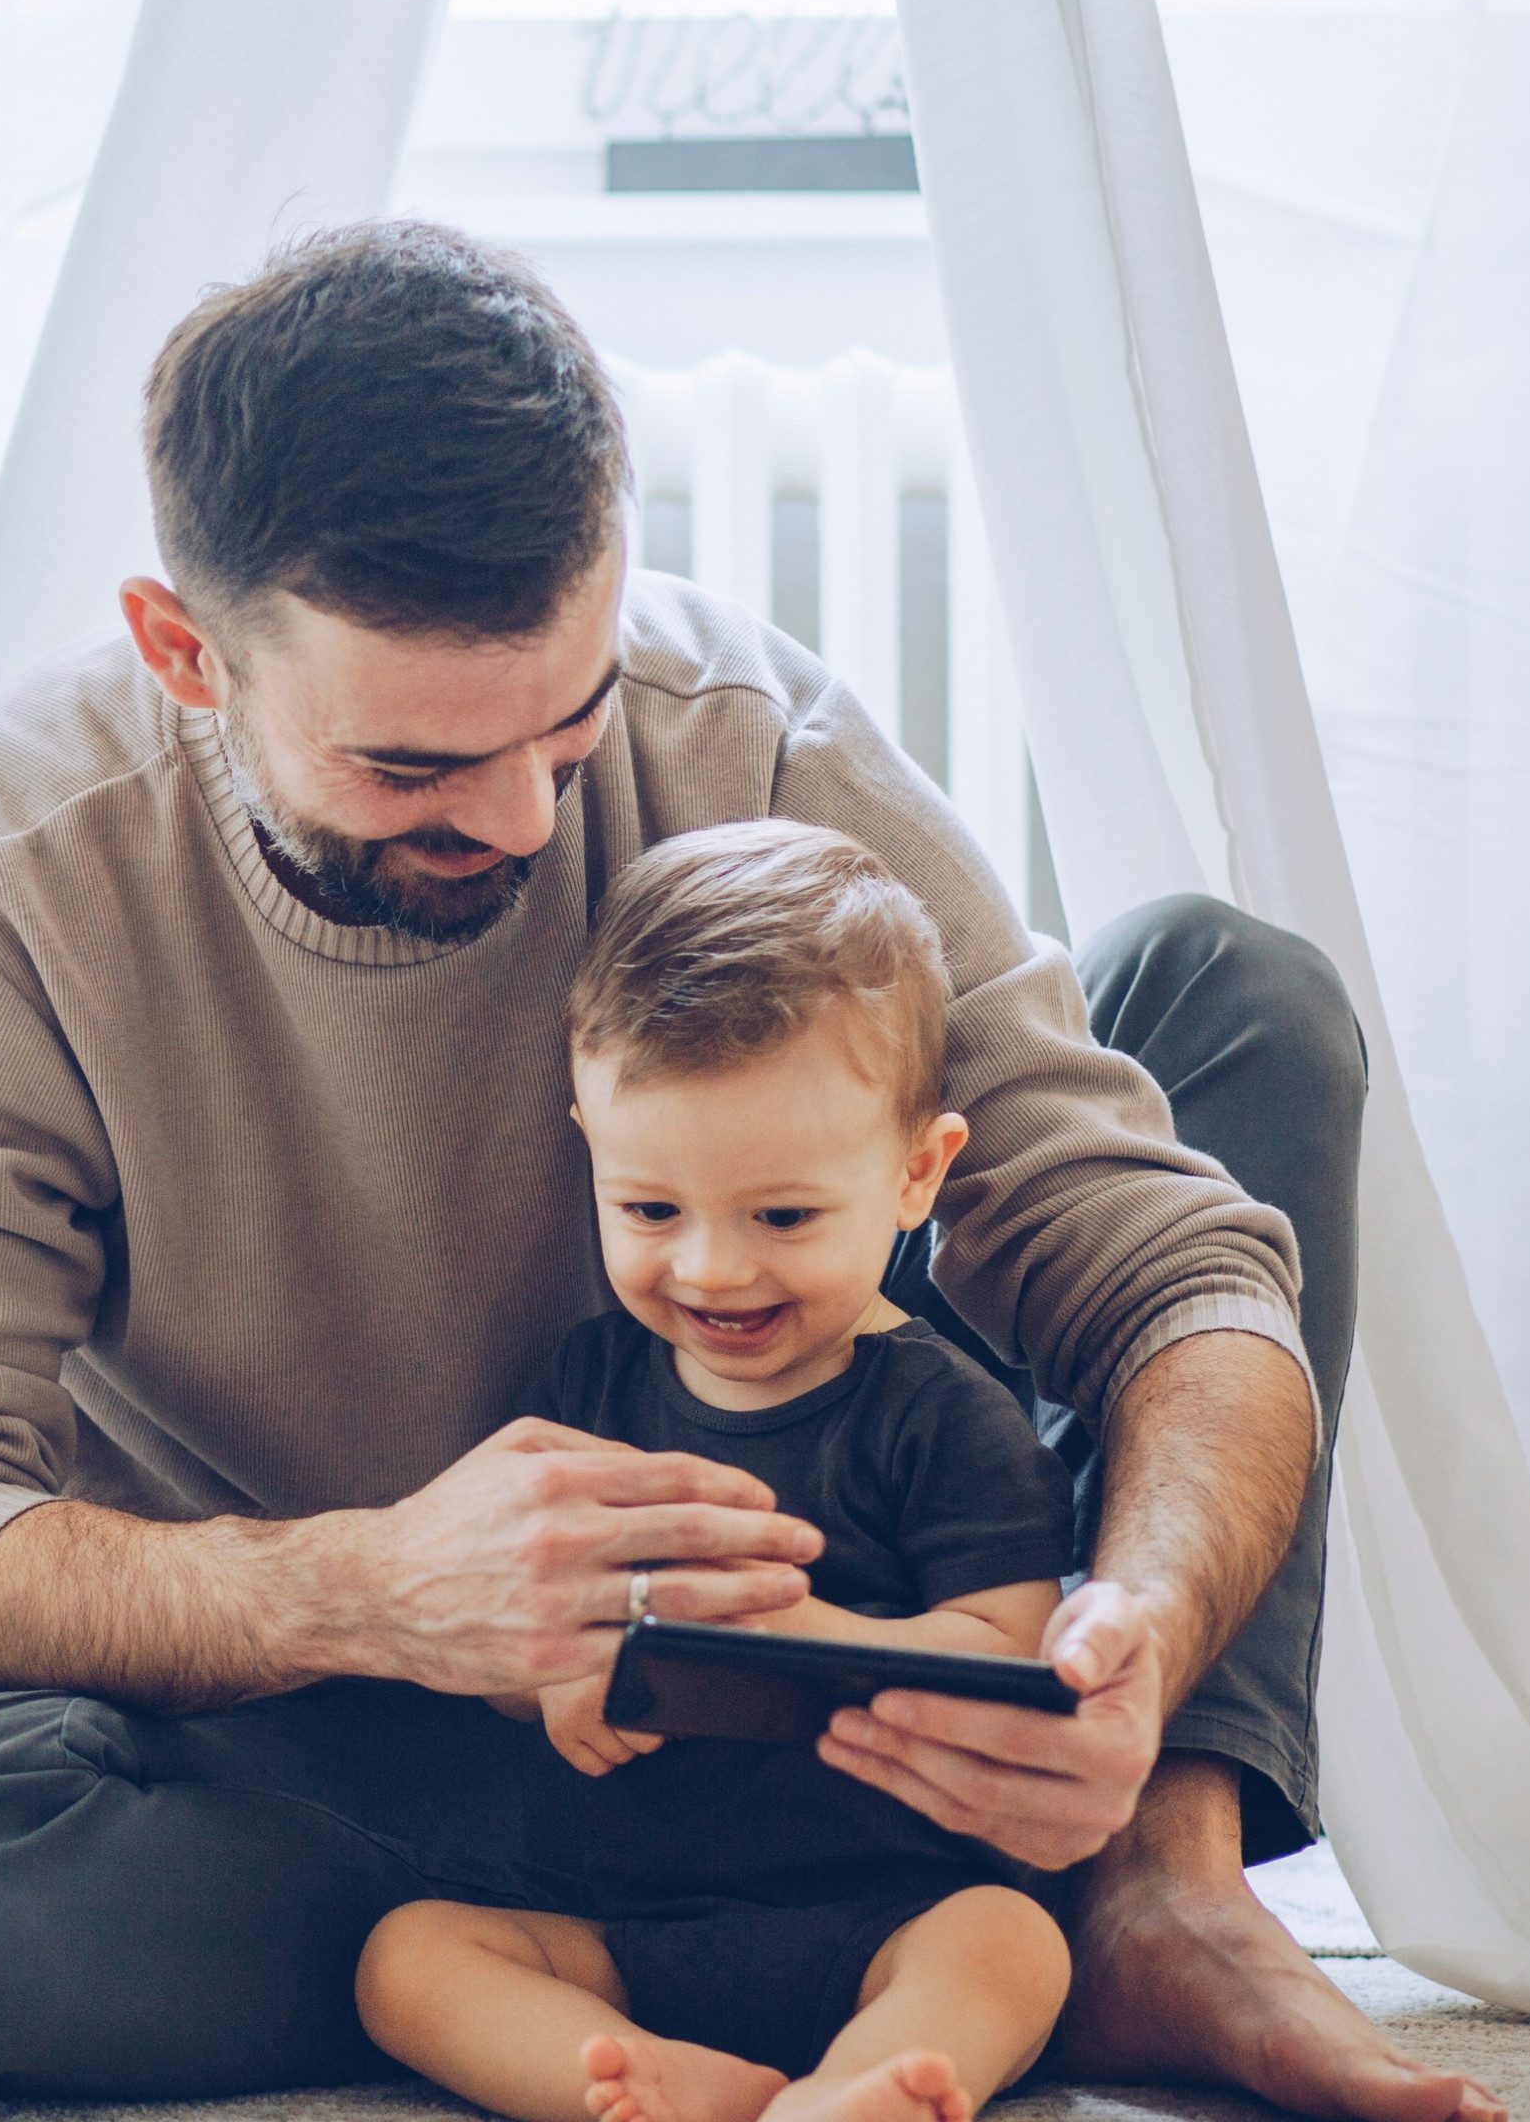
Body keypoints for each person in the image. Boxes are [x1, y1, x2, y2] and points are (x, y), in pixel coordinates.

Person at [0, 221, 1502, 2122]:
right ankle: (634, 1972)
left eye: (568, 726)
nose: (520, 819)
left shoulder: (747, 742)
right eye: (413, 767)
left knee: (1234, 997)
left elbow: (1163, 1270)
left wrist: (1135, 1637)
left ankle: (1150, 1883)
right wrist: (368, 1592)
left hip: (862, 1691)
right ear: (188, 653)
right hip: (379, 1743)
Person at [354, 819, 1082, 2122]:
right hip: (620, 1918)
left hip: (885, 1909)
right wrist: (554, 1678)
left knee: (1014, 1949)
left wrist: (810, 1643)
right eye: (650, 1211)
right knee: (406, 1960)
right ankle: (644, 2085)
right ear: (587, 1141)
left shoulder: (942, 1418)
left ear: (918, 1173)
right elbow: (513, 1624)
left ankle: (866, 2084)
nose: (711, 1270)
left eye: (783, 1216)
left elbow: (1014, 1671)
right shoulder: (588, 1391)